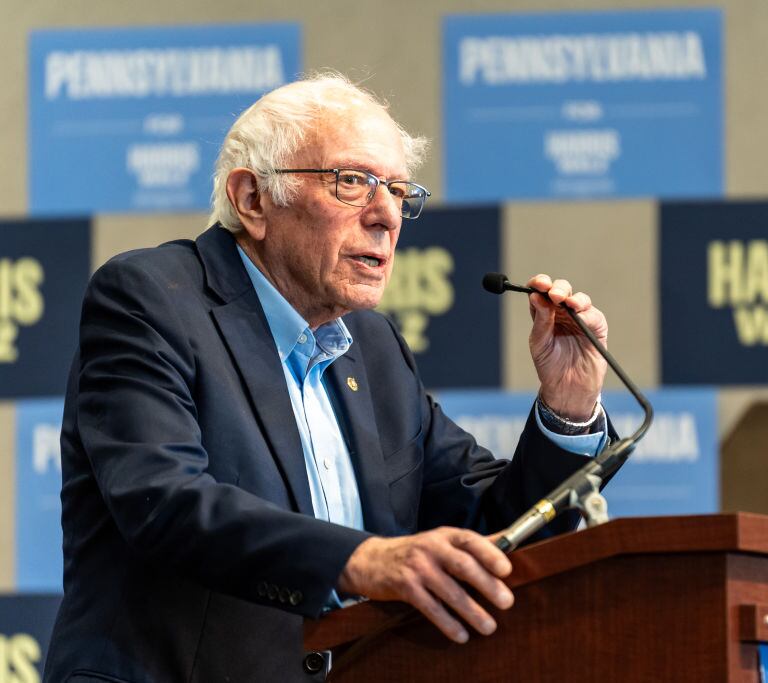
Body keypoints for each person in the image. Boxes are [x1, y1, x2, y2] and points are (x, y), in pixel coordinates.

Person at [43, 73, 612, 683]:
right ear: (252, 200)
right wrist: (361, 559)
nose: (387, 216)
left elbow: (490, 528)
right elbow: (166, 502)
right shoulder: (152, 299)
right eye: (353, 182)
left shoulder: (373, 346)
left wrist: (568, 409)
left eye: (398, 191)